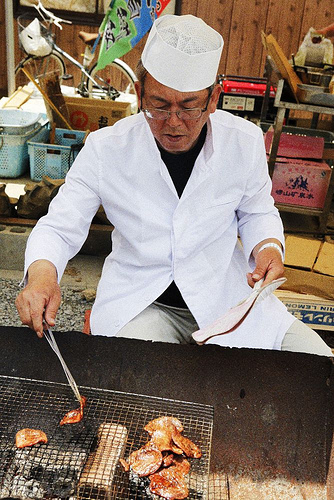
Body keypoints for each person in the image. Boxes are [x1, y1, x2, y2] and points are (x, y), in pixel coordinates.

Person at [16, 14, 332, 357]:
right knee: (146, 381)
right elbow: (61, 225)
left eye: (189, 106)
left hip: (226, 298)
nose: (174, 123)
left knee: (315, 362)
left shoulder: (244, 142)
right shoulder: (106, 149)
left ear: (214, 98)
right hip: (142, 302)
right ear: (140, 94)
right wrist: (43, 275)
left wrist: (268, 249)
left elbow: (257, 211)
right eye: (159, 105)